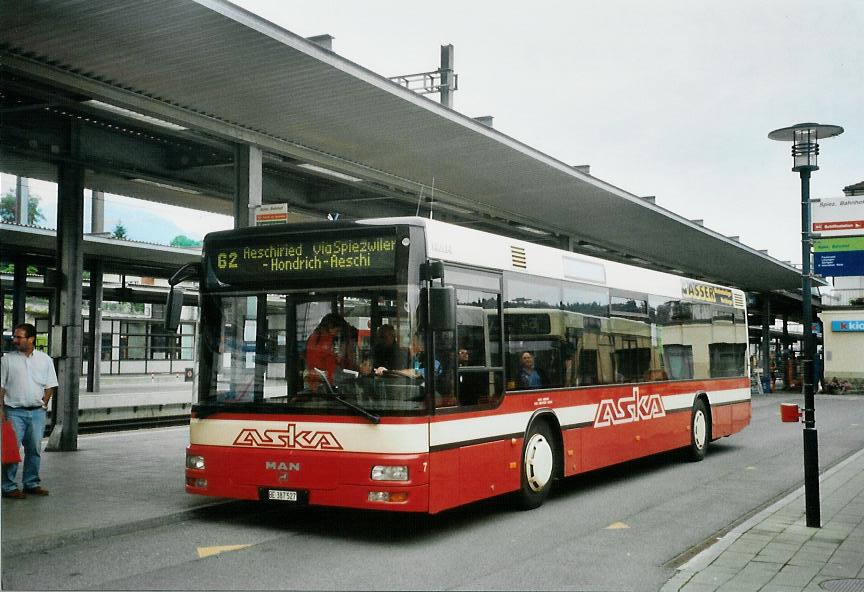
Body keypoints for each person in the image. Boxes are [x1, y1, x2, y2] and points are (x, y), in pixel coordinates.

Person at [1, 323, 58, 499]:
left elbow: (50, 385)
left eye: (19, 337)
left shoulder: (45, 360)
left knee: (34, 449)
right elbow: (1, 387)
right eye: (15, 336)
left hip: (37, 413)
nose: (15, 340)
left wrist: (44, 403)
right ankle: (8, 487)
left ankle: (31, 483)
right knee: (11, 450)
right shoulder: (7, 360)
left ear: (31, 339)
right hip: (13, 412)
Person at [304, 312, 354, 391]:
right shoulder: (324, 340)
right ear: (330, 327)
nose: (337, 334)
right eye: (337, 331)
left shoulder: (316, 337)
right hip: (320, 383)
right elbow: (327, 365)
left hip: (316, 381)